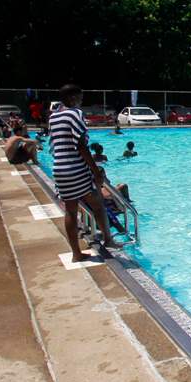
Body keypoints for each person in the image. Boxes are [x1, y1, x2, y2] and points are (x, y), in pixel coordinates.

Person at [49, 84, 122, 261]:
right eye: (80, 98)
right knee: (97, 204)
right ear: (73, 98)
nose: (81, 102)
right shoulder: (76, 114)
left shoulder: (53, 117)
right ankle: (108, 239)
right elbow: (81, 145)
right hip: (76, 168)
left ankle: (76, 253)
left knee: (71, 212)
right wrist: (95, 171)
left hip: (59, 168)